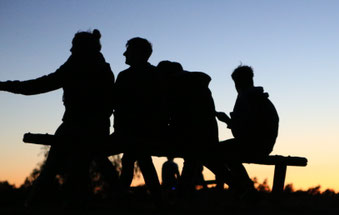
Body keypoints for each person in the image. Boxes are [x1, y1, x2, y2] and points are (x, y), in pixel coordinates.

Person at [0, 29, 119, 206]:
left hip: (76, 125)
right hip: (97, 126)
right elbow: (110, 103)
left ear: (81, 48)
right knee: (88, 163)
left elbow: (39, 85)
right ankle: (112, 198)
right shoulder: (104, 68)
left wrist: (4, 86)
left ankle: (33, 204)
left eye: (73, 46)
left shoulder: (75, 67)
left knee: (53, 167)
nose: (70, 50)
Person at [157, 60, 218, 196]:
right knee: (198, 163)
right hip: (208, 135)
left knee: (192, 162)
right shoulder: (197, 84)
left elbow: (170, 115)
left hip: (191, 136)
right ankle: (243, 189)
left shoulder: (177, 87)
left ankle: (181, 197)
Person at [113, 37, 163, 203]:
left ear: (137, 53)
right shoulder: (155, 74)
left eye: (128, 51)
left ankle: (121, 196)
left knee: (132, 158)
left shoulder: (125, 76)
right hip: (146, 131)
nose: (124, 54)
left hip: (133, 132)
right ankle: (156, 199)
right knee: (139, 159)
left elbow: (116, 103)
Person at [216, 65, 279, 194]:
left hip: (255, 146)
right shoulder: (259, 98)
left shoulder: (247, 99)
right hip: (263, 145)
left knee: (214, 151)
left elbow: (243, 132)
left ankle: (245, 188)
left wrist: (228, 121)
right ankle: (244, 187)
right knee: (222, 151)